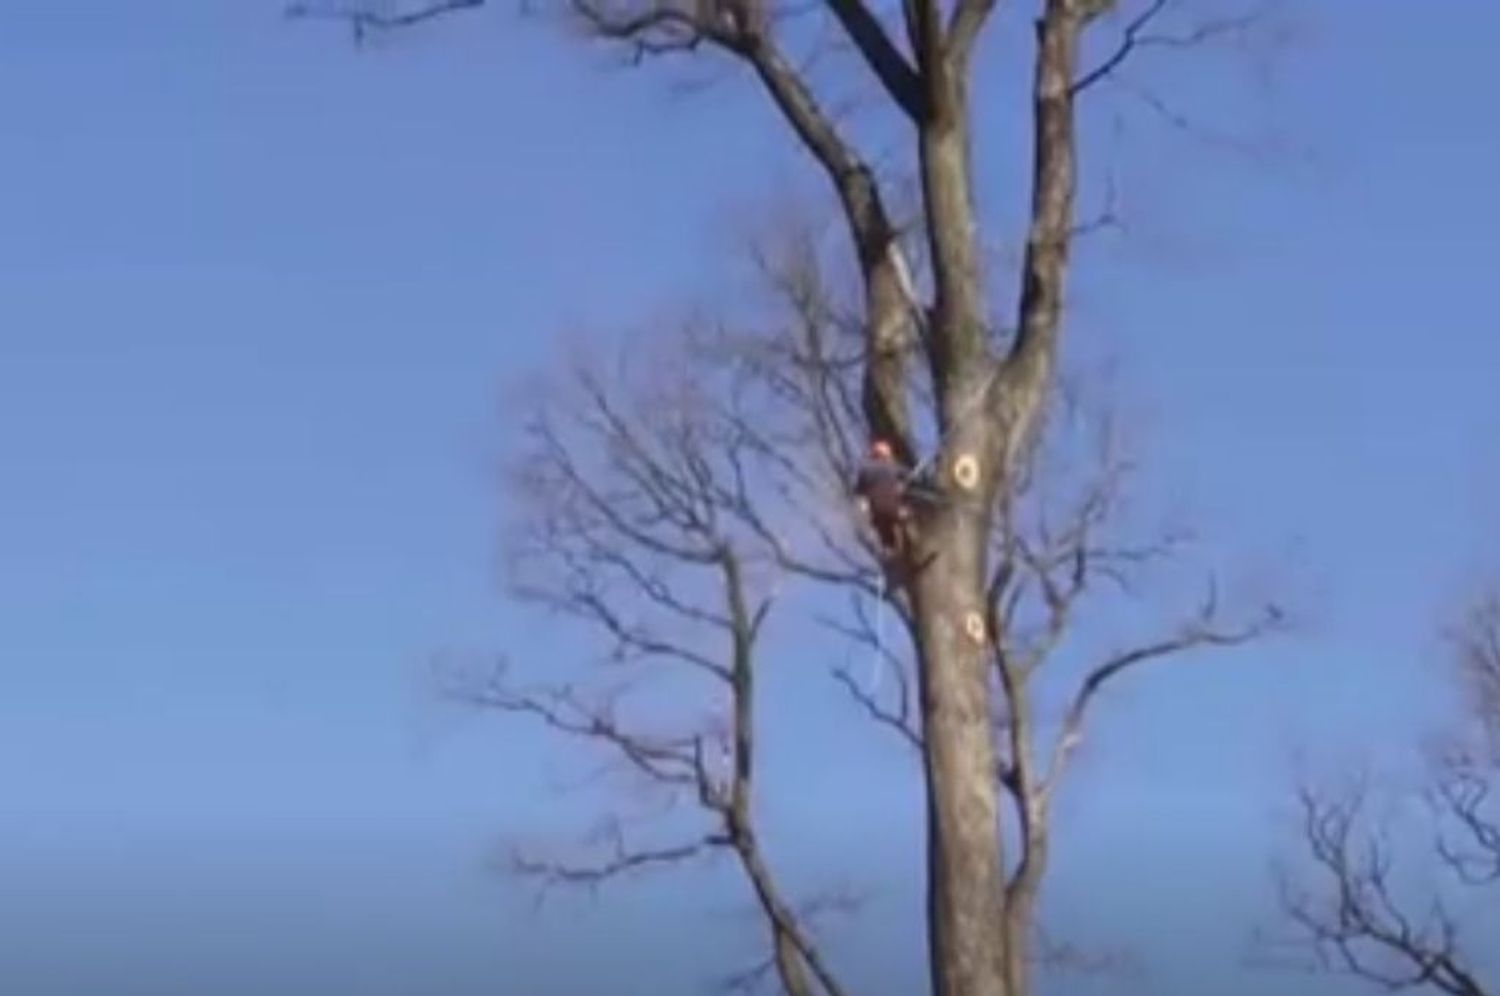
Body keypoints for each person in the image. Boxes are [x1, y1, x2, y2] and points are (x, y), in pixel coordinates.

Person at [853, 438, 913, 564]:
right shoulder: (893, 466)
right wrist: (903, 483)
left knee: (885, 533)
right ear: (886, 454)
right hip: (894, 507)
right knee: (908, 517)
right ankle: (912, 543)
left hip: (877, 511)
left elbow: (859, 492)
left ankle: (890, 552)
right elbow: (909, 476)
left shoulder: (865, 470)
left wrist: (864, 508)